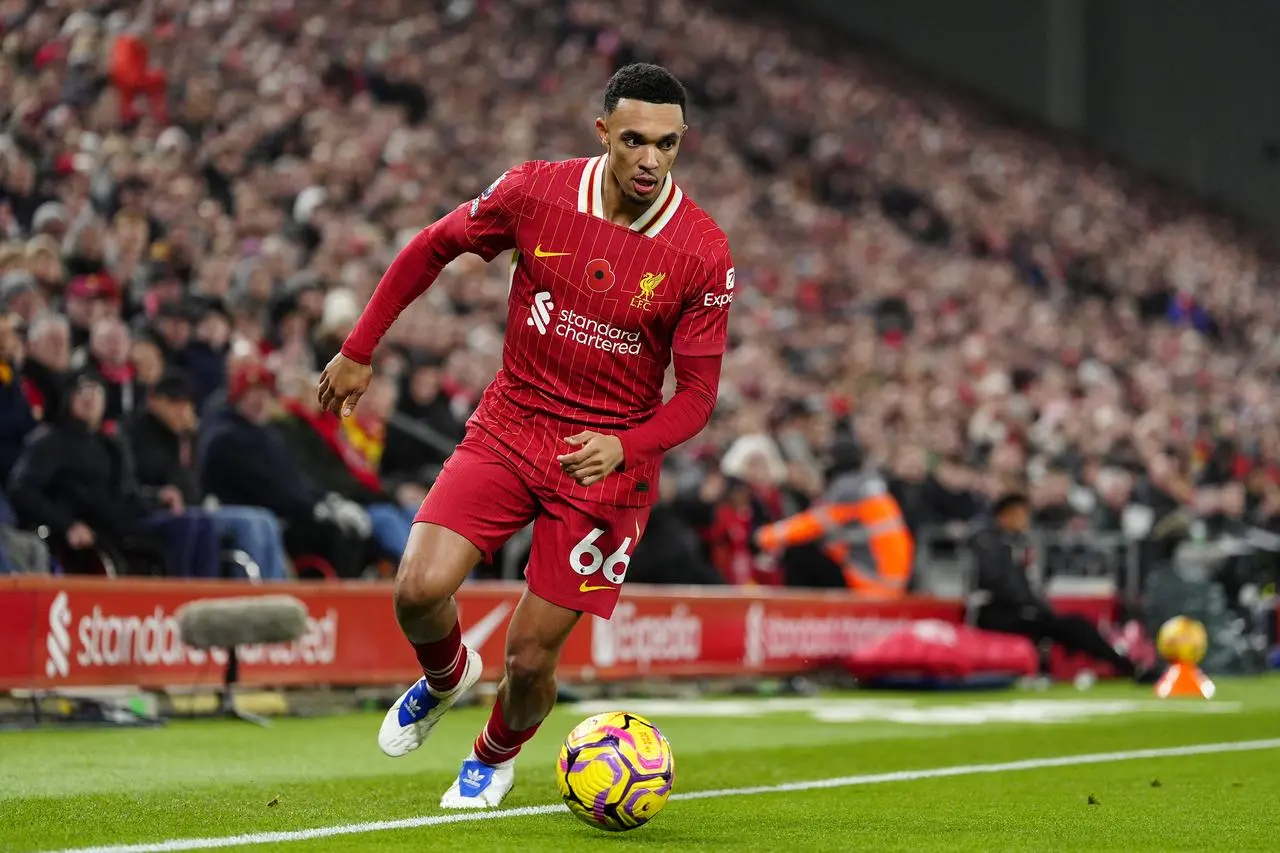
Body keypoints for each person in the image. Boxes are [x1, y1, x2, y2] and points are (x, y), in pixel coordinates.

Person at [317, 64, 734, 808]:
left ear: (681, 143)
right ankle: (446, 675)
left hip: (606, 467)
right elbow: (431, 247)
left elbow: (698, 397)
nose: (649, 159)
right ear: (602, 131)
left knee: (531, 657)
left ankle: (492, 755)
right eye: (634, 140)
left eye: (666, 145)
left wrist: (629, 446)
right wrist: (359, 346)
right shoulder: (535, 190)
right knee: (416, 589)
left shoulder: (701, 251)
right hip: (513, 423)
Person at [970, 493, 1150, 680]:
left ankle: (1124, 665)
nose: (1025, 520)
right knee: (1070, 626)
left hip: (1019, 611)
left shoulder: (1015, 543)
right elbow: (1003, 586)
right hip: (996, 613)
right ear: (1005, 516)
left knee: (1073, 626)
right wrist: (1035, 607)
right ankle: (1126, 667)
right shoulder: (990, 543)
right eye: (1020, 514)